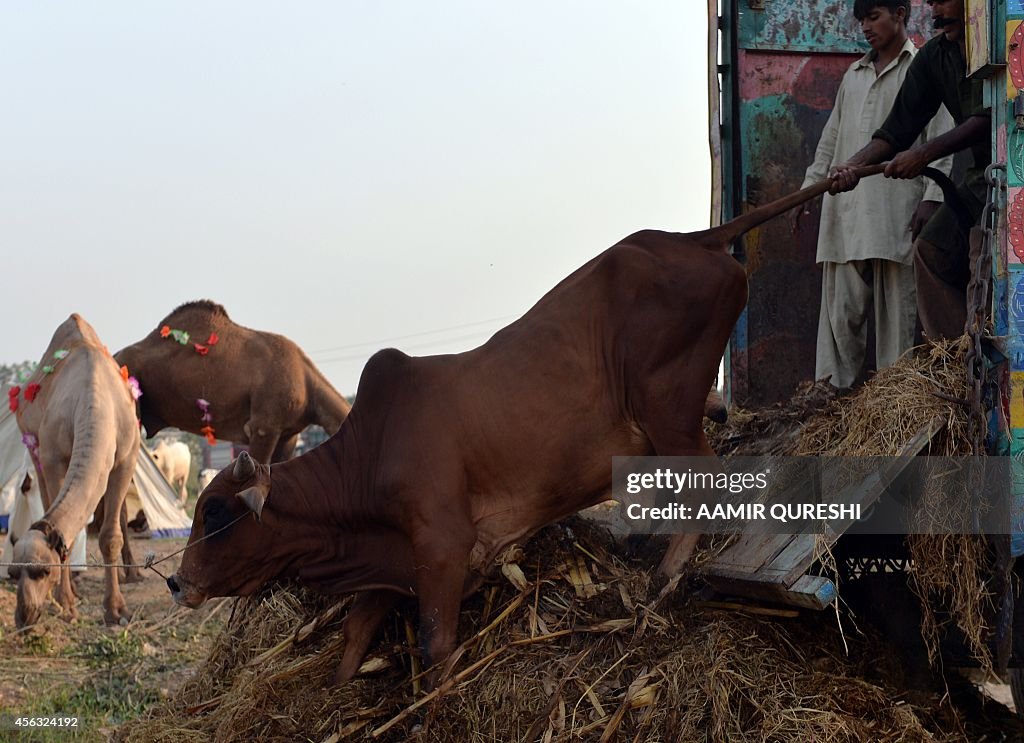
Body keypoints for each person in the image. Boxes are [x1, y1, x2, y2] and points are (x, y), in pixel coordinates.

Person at [800, 0, 954, 389]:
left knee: (896, 323)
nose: (866, 27)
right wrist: (808, 192)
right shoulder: (853, 75)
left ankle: (892, 400)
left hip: (896, 212)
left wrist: (932, 197)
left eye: (874, 17)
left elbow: (939, 139)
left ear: (900, 14)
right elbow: (830, 141)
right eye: (861, 20)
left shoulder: (921, 67)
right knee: (840, 319)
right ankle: (830, 398)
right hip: (845, 213)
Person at [829, 0, 991, 342]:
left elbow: (986, 120)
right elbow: (896, 130)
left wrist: (922, 154)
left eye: (945, 1)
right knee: (930, 249)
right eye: (932, 3)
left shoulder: (996, 43)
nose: (937, 12)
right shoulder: (935, 56)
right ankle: (955, 359)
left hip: (1011, 174)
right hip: (983, 178)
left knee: (985, 255)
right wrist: (852, 167)